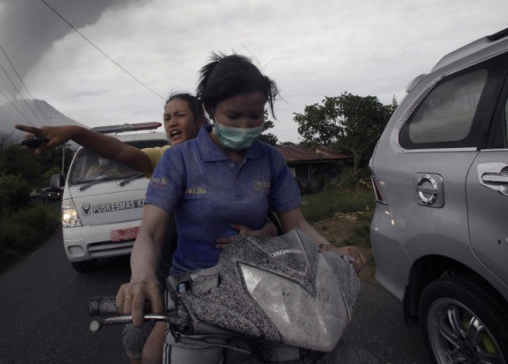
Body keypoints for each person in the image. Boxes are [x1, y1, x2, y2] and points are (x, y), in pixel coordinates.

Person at [116, 53, 366, 363]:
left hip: (263, 285)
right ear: (209, 110)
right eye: (234, 116)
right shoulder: (178, 160)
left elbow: (296, 225)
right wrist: (141, 276)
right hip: (195, 290)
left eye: (256, 116)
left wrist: (330, 250)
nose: (246, 126)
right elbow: (151, 234)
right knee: (156, 356)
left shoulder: (270, 159)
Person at [15, 92, 277, 364]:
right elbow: (119, 152)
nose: (171, 122)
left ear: (202, 121)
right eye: (167, 117)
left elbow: (269, 218)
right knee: (139, 341)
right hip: (171, 271)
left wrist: (264, 233)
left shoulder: (243, 160)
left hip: (233, 276)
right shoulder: (168, 158)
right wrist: (76, 132)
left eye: (179, 115)